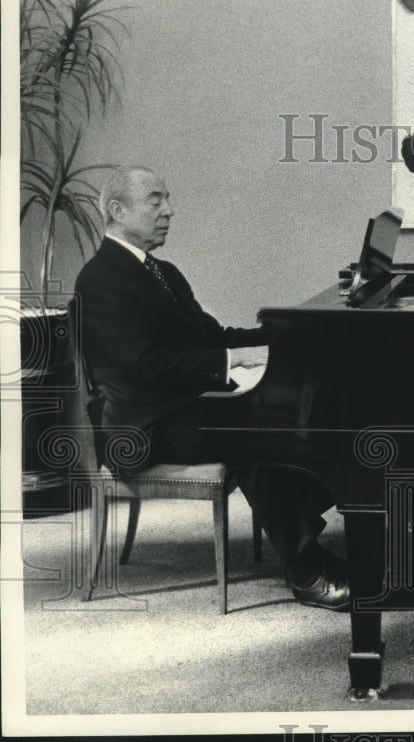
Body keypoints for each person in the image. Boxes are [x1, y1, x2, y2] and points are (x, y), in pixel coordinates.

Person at [74, 166, 349, 610]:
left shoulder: (162, 271)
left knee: (279, 417)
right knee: (248, 435)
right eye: (156, 200)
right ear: (117, 210)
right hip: (142, 427)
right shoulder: (100, 280)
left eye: (168, 199)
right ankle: (306, 571)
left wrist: (285, 339)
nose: (170, 211)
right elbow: (145, 366)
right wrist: (234, 360)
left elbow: (210, 335)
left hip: (179, 407)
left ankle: (309, 539)